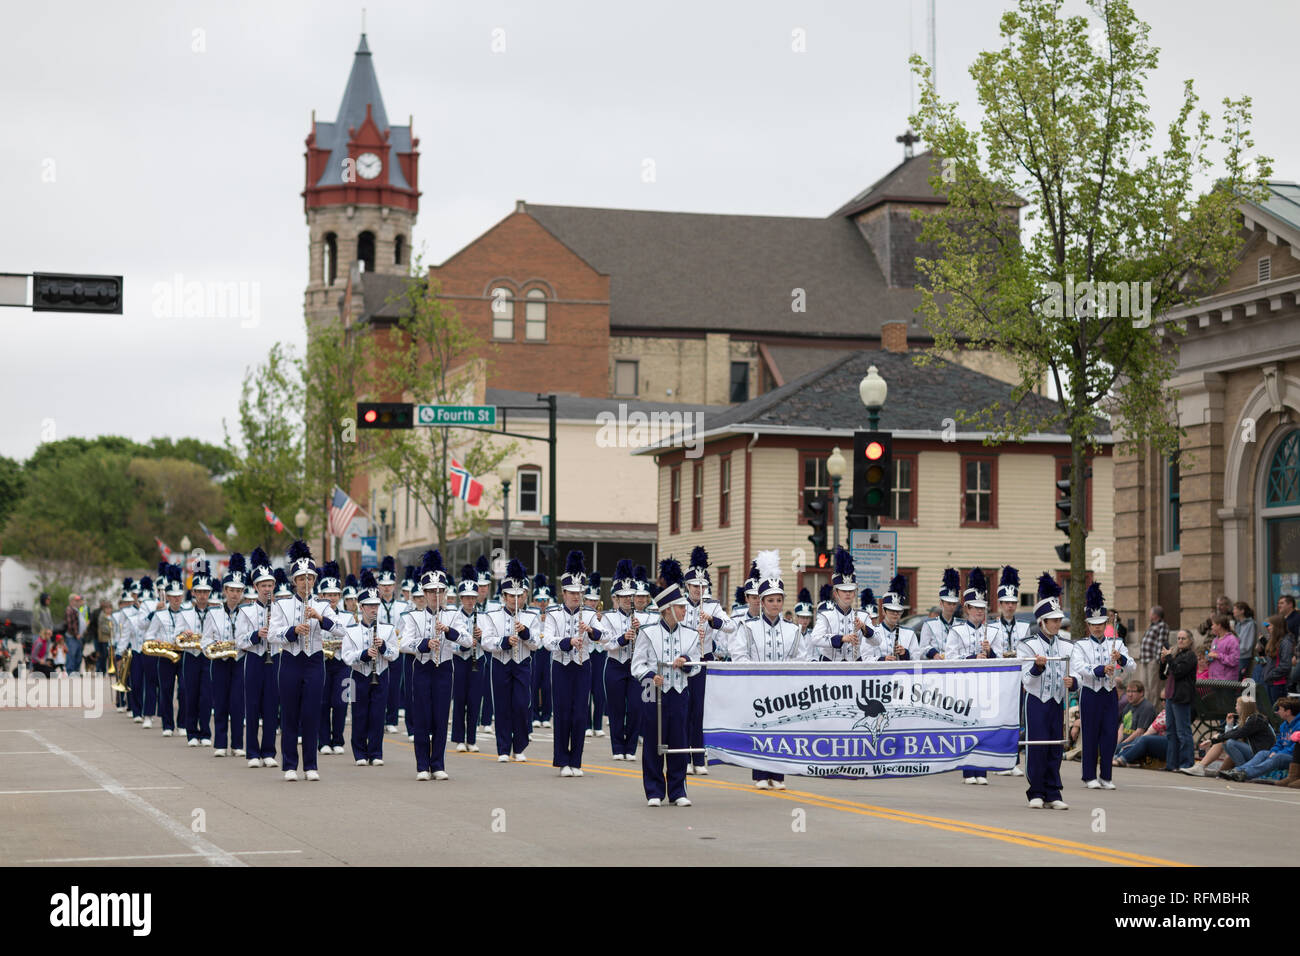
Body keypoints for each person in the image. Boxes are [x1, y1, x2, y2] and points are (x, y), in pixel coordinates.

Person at [732, 550, 807, 791]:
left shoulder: (793, 630)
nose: (775, 605)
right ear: (762, 602)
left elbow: (801, 658)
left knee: (782, 728)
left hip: (784, 687)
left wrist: (791, 676)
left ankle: (779, 775)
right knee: (760, 729)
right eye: (770, 600)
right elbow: (739, 654)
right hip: (757, 686)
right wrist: (753, 673)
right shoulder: (747, 626)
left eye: (778, 600)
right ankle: (760, 774)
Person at [631, 560, 700, 807]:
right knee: (653, 739)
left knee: (679, 740)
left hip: (679, 692)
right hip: (653, 693)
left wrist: (687, 661)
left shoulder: (691, 634)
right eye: (680, 607)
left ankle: (678, 789)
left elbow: (696, 664)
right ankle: (654, 790)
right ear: (667, 609)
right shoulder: (648, 633)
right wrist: (651, 676)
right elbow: (637, 665)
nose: (684, 611)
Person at [271, 540, 335, 782]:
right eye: (301, 579)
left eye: (310, 579)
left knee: (311, 713)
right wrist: (293, 630)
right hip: (290, 660)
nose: (306, 583)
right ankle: (289, 765)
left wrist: (319, 617)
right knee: (289, 713)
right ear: (294, 581)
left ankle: (310, 765)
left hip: (315, 661)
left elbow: (339, 630)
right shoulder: (282, 605)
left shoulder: (323, 605)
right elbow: (274, 634)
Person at [406, 551, 470, 780]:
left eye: (440, 591)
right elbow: (405, 643)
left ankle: (438, 764)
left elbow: (467, 640)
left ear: (445, 593)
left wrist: (448, 632)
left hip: (444, 668)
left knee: (441, 716)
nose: (436, 595)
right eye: (431, 591)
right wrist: (425, 643)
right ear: (423, 593)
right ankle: (422, 765)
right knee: (422, 716)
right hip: (422, 668)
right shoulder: (414, 617)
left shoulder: (453, 615)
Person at [542, 550, 603, 777]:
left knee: (580, 714)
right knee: (562, 713)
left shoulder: (588, 613)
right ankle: (562, 760)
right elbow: (547, 641)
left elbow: (604, 635)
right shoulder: (553, 613)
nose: (576, 596)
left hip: (582, 665)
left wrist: (591, 630)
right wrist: (568, 641)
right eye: (572, 593)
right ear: (563, 592)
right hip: (561, 666)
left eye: (579, 592)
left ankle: (576, 761)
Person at [1018, 573, 1076, 809]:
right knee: (1037, 745)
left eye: (1058, 619)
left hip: (1057, 702)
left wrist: (1074, 682)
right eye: (1052, 620)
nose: (1056, 623)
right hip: (1036, 701)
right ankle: (1036, 791)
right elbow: (1025, 678)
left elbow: (1076, 673)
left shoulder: (1067, 645)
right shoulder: (1028, 644)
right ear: (1041, 621)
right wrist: (1037, 667)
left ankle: (1054, 792)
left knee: (1055, 746)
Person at [1071, 583, 1133, 790]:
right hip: (1090, 693)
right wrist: (1099, 669)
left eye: (1100, 623)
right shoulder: (1080, 645)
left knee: (1109, 735)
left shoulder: (1116, 643)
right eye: (1093, 624)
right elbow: (1079, 667)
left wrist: (1120, 659)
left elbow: (1131, 667)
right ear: (1088, 625)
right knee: (1090, 735)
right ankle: (1089, 776)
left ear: (1106, 622)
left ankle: (1106, 776)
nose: (1097, 627)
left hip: (1109, 694)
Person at [681, 547, 736, 774]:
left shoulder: (712, 604)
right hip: (684, 663)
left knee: (701, 712)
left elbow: (730, 626)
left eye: (702, 586)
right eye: (695, 586)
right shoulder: (679, 604)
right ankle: (683, 758)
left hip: (705, 660)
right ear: (687, 586)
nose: (699, 589)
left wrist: (712, 620)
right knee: (684, 709)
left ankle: (699, 759)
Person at [483, 559, 543, 762]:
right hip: (500, 664)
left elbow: (537, 644)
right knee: (502, 706)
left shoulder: (532, 616)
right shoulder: (492, 615)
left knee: (521, 705)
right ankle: (502, 749)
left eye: (519, 595)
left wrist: (525, 633)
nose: (515, 599)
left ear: (525, 595)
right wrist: (504, 642)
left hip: (522, 664)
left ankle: (519, 747)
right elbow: (486, 642)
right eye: (511, 596)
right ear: (504, 596)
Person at [946, 569, 1001, 785]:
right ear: (967, 608)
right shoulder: (957, 631)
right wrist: (972, 656)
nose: (980, 611)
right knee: (969, 726)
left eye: (982, 608)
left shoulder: (994, 632)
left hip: (986, 685)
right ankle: (969, 771)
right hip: (966, 684)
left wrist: (990, 653)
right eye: (976, 608)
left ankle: (982, 770)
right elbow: (950, 658)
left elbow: (1000, 660)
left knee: (984, 727)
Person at [342, 571, 399, 766]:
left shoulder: (388, 629)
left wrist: (382, 647)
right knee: (359, 713)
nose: (374, 609)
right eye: (370, 606)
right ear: (362, 607)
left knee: (377, 715)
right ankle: (359, 753)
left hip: (381, 675)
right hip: (358, 676)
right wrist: (364, 654)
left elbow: (395, 654)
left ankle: (375, 753)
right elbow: (346, 656)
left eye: (376, 605)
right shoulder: (351, 631)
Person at [236, 548, 280, 769]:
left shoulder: (280, 609)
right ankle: (252, 752)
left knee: (272, 706)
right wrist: (256, 635)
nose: (267, 589)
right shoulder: (245, 611)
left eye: (270, 585)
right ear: (255, 587)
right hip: (254, 658)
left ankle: (269, 751)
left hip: (274, 660)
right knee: (252, 706)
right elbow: (239, 641)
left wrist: (275, 632)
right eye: (263, 586)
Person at [144, 566, 198, 737]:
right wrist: (155, 641)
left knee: (184, 690)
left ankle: (182, 724)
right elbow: (148, 635)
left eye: (178, 596)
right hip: (165, 654)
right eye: (173, 596)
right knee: (166, 690)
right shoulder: (159, 614)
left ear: (182, 596)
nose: (176, 599)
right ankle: (167, 725)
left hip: (184, 654)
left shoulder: (190, 613)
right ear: (167, 596)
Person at [204, 554, 246, 758]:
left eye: (238, 590)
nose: (235, 594)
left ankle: (237, 744)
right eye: (231, 590)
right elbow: (205, 640)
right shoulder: (213, 613)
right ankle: (220, 743)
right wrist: (214, 647)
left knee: (238, 703)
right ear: (225, 591)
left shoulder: (248, 612)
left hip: (239, 661)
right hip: (220, 662)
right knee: (220, 702)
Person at [449, 563, 488, 754]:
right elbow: (451, 642)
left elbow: (489, 642)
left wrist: (480, 637)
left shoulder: (484, 617)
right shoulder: (454, 616)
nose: (470, 601)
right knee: (460, 699)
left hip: (477, 659)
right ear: (461, 598)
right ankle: (458, 738)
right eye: (466, 597)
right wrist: (464, 641)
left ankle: (471, 738)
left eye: (473, 597)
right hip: (459, 659)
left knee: (474, 700)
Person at [809, 547, 871, 664]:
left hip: (855, 667)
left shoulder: (864, 616)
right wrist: (842, 638)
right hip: (830, 668)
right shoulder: (825, 615)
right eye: (844, 591)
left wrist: (864, 628)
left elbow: (877, 641)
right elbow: (815, 638)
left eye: (851, 591)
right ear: (835, 593)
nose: (848, 594)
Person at [1182, 696, 1272, 776]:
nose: (1235, 708)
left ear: (1244, 708)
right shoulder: (1249, 719)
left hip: (1261, 756)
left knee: (1230, 743)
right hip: (1254, 752)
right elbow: (1232, 733)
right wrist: (1228, 725)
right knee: (1225, 740)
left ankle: (1241, 771)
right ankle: (1216, 771)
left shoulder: (1256, 720)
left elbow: (1237, 734)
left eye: (1237, 705)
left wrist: (1213, 740)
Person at [317, 563, 352, 756]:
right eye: (328, 595)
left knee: (342, 702)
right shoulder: (315, 614)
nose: (332, 598)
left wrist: (343, 643)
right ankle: (323, 741)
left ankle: (338, 739)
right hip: (321, 663)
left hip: (343, 663)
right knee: (322, 703)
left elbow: (353, 638)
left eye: (335, 595)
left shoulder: (347, 616)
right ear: (321, 596)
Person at [1222, 697, 1300, 782]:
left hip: (1293, 758)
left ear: (1288, 712)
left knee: (1278, 757)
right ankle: (1238, 770)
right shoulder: (1284, 725)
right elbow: (1279, 743)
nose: (1277, 712)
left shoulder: (1298, 725)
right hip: (1281, 753)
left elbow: (1294, 748)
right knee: (1263, 753)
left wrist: (1277, 753)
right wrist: (1274, 751)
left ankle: (1245, 774)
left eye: (1280, 709)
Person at [183, 563, 216, 747]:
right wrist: (183, 634)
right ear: (193, 592)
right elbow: (176, 635)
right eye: (199, 592)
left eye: (206, 592)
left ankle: (205, 732)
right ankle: (191, 733)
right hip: (191, 656)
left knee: (206, 696)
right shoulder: (185, 611)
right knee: (191, 695)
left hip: (208, 656)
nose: (202, 595)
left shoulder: (216, 611)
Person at [1158, 628, 1198, 771]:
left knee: (1183, 731)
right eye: (1179, 639)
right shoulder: (1176, 654)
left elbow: (1178, 672)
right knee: (1171, 732)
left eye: (1183, 639)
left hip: (1181, 697)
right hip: (1170, 696)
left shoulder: (1191, 656)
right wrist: (1163, 661)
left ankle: (1187, 764)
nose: (1180, 641)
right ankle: (1172, 764)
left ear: (1190, 641)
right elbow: (1163, 675)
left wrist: (1169, 658)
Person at [870, 575, 919, 661]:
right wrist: (882, 659)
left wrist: (905, 654)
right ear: (884, 611)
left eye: (898, 611)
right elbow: (865, 659)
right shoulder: (872, 632)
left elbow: (916, 659)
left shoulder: (909, 634)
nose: (895, 614)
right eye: (892, 611)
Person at [530, 573, 554, 728]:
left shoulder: (552, 614)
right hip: (535, 650)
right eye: (539, 600)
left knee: (547, 685)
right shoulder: (531, 615)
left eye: (545, 600)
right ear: (534, 602)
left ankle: (546, 715)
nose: (543, 603)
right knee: (533, 683)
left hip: (547, 651)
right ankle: (534, 715)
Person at [1260, 613, 1295, 704]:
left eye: (1269, 625)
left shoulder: (1286, 642)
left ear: (1277, 626)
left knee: (1278, 712)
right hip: (1270, 682)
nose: (1267, 628)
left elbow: (1285, 665)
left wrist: (1270, 675)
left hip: (1279, 683)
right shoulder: (1273, 640)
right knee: (1271, 712)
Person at [1138, 606, 1169, 705]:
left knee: (1153, 687)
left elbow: (1161, 643)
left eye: (1150, 613)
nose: (1149, 615)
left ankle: (1154, 709)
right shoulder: (1152, 625)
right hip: (1144, 659)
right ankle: (1147, 708)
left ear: (1155, 615)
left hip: (1153, 660)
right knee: (1145, 686)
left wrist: (1158, 660)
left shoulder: (1162, 626)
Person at [1116, 680, 1156, 750]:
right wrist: (1117, 743)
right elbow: (1121, 728)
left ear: (1141, 693)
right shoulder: (1128, 706)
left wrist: (1121, 745)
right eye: (1128, 691)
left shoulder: (1147, 707)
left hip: (1135, 743)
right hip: (1124, 742)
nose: (1130, 694)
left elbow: (1140, 732)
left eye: (1133, 692)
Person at [1203, 614, 1240, 681]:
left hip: (1227, 681)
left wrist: (1218, 656)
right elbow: (1214, 659)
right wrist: (1208, 658)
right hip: (1213, 680)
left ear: (1219, 625)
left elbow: (1234, 660)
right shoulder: (1215, 640)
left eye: (1213, 624)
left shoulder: (1232, 640)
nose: (1211, 627)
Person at [1233, 602, 1259, 680]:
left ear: (1242, 611)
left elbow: (1247, 644)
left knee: (1239, 678)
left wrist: (1236, 652)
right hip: (1236, 656)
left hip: (1243, 656)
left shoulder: (1250, 624)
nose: (1233, 611)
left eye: (1235, 609)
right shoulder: (1238, 624)